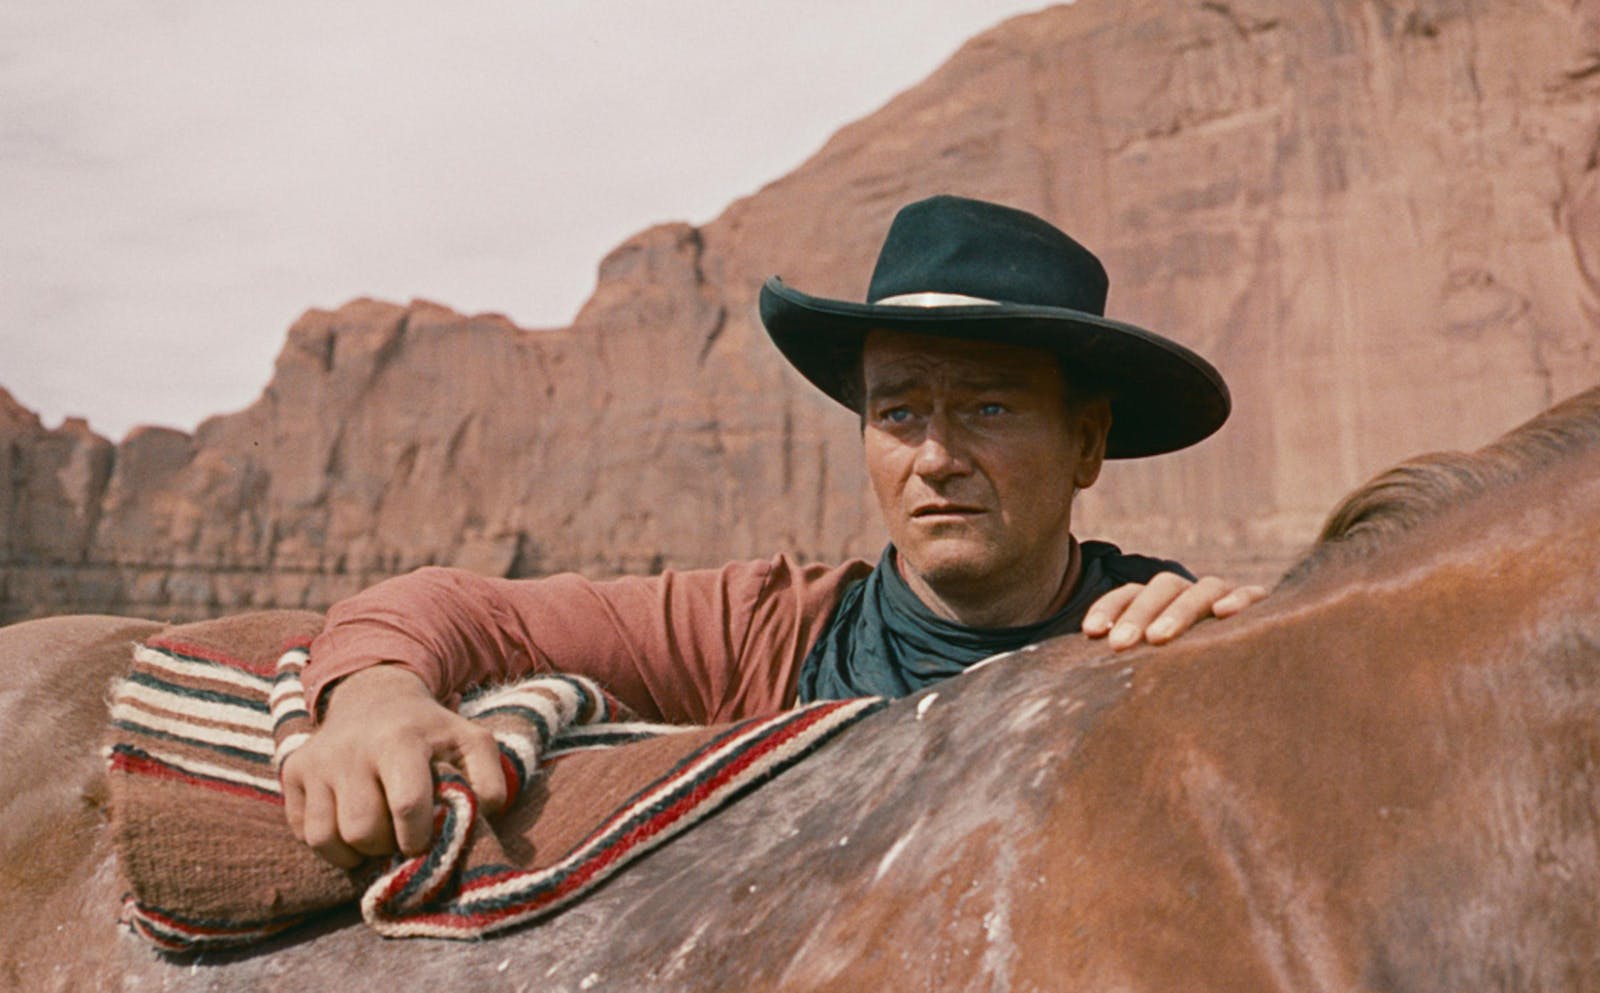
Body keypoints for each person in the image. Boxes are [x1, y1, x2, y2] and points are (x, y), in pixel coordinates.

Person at [284, 195, 1268, 868]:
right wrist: (371, 700)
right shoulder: (771, 633)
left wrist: (1260, 652)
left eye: (990, 411)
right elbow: (447, 607)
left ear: (1086, 443)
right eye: (897, 414)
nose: (934, 457)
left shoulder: (1171, 637)